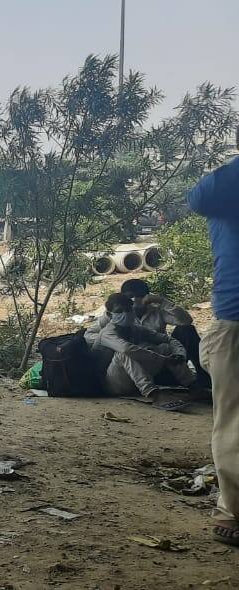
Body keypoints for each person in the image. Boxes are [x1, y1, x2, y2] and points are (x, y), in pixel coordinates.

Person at [187, 147, 239, 546]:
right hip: (236, 317)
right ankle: (232, 510)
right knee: (234, 421)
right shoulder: (226, 184)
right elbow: (198, 198)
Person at [91, 293, 195, 399]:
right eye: (119, 311)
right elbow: (126, 349)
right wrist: (163, 360)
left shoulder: (136, 329)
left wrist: (179, 354)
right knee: (124, 353)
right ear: (109, 315)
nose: (125, 314)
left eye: (128, 310)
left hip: (132, 379)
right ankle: (153, 394)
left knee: (165, 347)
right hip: (112, 384)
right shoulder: (107, 333)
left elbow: (168, 339)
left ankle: (193, 386)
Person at [115, 278, 206, 386]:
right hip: (137, 368)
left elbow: (186, 321)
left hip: (165, 362)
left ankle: (203, 377)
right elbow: (98, 335)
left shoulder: (156, 310)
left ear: (147, 296)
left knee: (186, 330)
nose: (135, 300)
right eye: (130, 297)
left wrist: (162, 301)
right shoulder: (117, 315)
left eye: (139, 296)